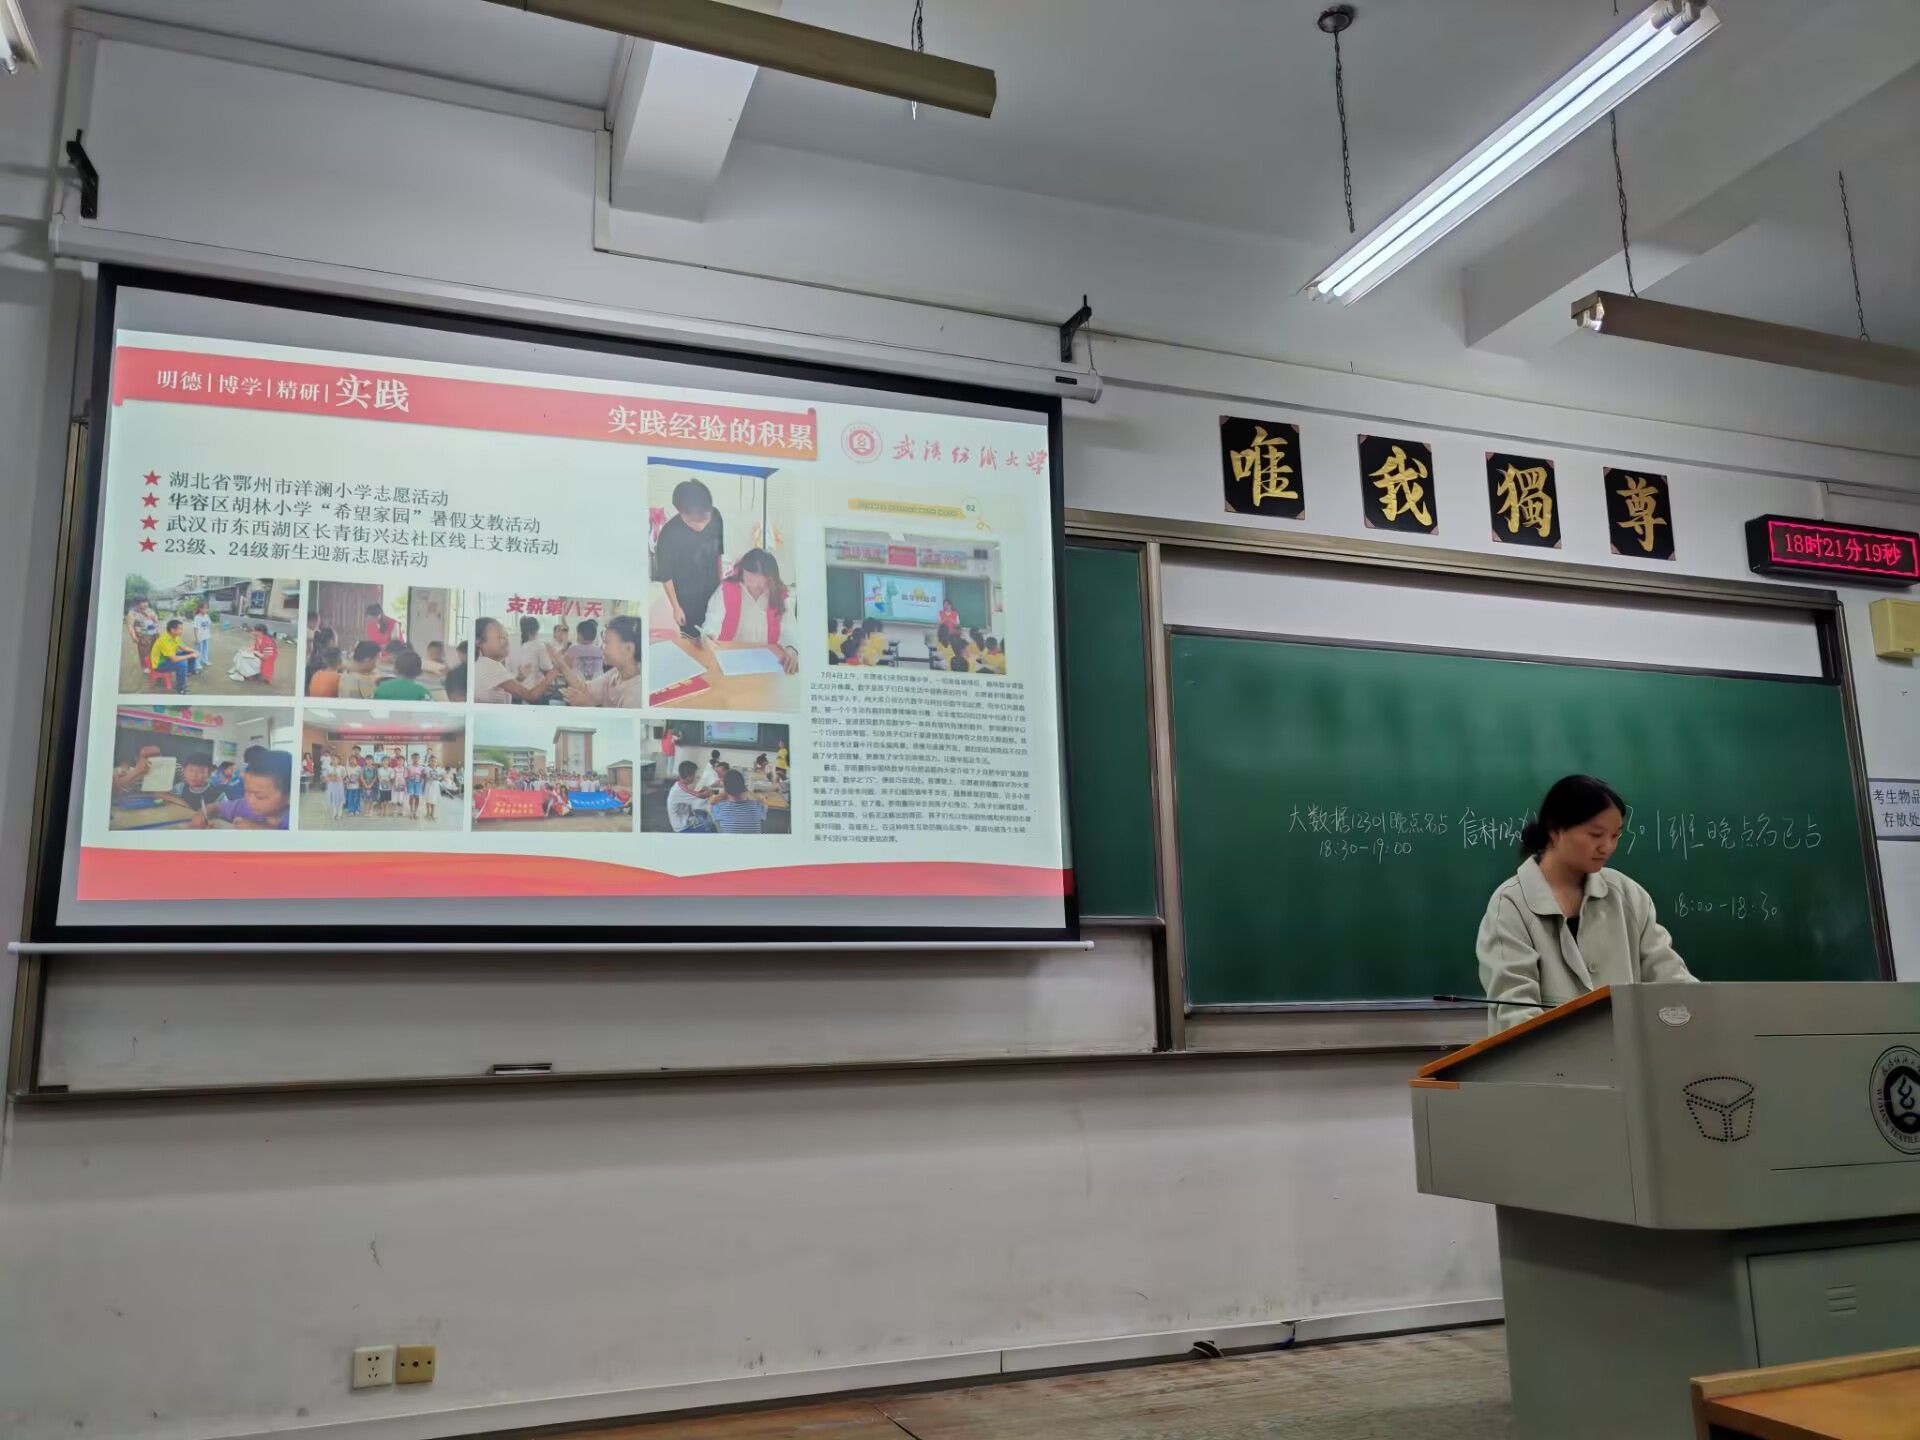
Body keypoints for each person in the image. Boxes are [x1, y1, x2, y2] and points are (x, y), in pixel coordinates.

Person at [1478, 775, 1697, 1033]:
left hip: (1628, 1054)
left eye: (1616, 835)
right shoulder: (1510, 905)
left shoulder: (1628, 895)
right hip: (1546, 1057)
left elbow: (1672, 982)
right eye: (1596, 835)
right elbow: (1515, 1011)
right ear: (1555, 831)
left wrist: (1700, 1012)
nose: (1608, 847)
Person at [701, 548, 799, 674]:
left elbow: (788, 628)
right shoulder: (727, 589)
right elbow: (713, 618)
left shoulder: (779, 595)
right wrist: (709, 634)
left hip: (767, 659)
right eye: (747, 572)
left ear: (769, 576)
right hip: (732, 656)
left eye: (757, 574)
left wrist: (791, 649)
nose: (750, 577)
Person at [654, 477, 725, 638]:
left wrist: (721, 585)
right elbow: (666, 576)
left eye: (704, 519)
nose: (700, 526)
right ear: (680, 513)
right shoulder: (668, 534)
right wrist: (676, 607)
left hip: (713, 591)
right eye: (692, 521)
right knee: (692, 639)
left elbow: (718, 553)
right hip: (687, 598)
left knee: (717, 636)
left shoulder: (716, 517)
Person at [554, 614, 645, 708]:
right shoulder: (615, 673)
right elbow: (587, 689)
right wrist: (563, 666)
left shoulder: (635, 694)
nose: (601, 647)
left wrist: (586, 703)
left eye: (606, 642)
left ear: (628, 648)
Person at [195, 751, 292, 830]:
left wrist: (256, 828)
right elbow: (215, 807)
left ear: (288, 796)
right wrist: (201, 814)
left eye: (259, 797)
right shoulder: (244, 805)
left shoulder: (292, 818)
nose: (250, 800)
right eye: (247, 791)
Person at [472, 617, 551, 704]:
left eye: (506, 636)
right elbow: (531, 696)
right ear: (479, 643)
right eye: (501, 637)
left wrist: (519, 679)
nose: (507, 641)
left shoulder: (479, 663)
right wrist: (558, 667)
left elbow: (506, 691)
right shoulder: (491, 666)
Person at [710, 769, 768, 834]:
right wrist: (752, 795)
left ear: (725, 788)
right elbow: (764, 803)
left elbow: (711, 804)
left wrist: (721, 795)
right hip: (753, 840)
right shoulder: (757, 805)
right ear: (744, 785)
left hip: (729, 841)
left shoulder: (720, 807)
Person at [149, 619, 198, 693]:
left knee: (190, 653)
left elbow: (183, 647)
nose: (182, 631)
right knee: (182, 664)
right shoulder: (164, 640)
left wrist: (194, 651)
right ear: (172, 630)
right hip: (160, 664)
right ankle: (181, 688)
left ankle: (187, 673)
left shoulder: (175, 636)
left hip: (168, 657)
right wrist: (191, 655)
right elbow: (174, 659)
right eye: (180, 629)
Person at [666, 760, 714, 833]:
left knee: (706, 817)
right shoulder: (679, 790)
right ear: (688, 776)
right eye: (694, 774)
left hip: (686, 820)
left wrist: (705, 789)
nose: (695, 776)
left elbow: (694, 792)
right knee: (711, 828)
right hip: (682, 827)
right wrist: (713, 791)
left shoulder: (679, 785)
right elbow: (702, 796)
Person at [510, 615, 556, 692]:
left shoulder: (512, 646)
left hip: (515, 688)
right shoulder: (539, 646)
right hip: (533, 690)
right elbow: (547, 668)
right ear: (536, 630)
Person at [324, 751, 347, 821]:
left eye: (335, 759)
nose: (333, 760)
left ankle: (339, 814)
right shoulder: (328, 767)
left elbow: (344, 775)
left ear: (339, 760)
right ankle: (334, 813)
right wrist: (329, 779)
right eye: (332, 759)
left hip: (339, 785)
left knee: (340, 799)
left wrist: (340, 778)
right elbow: (326, 776)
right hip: (331, 786)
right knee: (333, 799)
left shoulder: (342, 768)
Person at [192, 607, 213, 675]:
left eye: (207, 608)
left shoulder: (206, 616)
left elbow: (209, 624)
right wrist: (196, 638)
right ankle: (197, 665)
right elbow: (195, 628)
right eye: (205, 608)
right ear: (200, 609)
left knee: (205, 649)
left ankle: (204, 660)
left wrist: (207, 633)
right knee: (198, 650)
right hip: (199, 637)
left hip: (205, 636)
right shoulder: (197, 617)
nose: (206, 610)